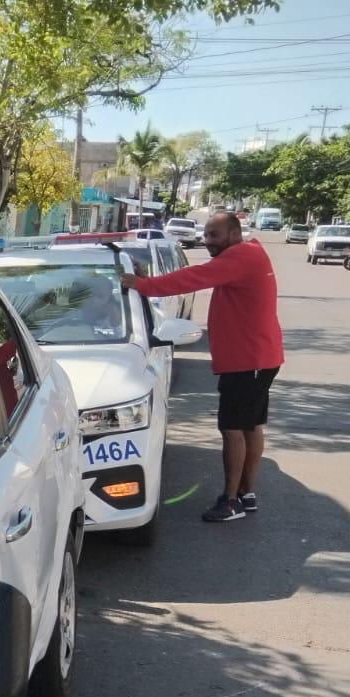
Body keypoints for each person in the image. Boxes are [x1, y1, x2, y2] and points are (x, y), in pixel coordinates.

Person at [121, 212, 282, 523]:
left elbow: (191, 279)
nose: (208, 241)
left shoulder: (238, 258)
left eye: (214, 235)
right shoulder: (248, 254)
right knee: (250, 426)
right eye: (206, 235)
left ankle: (231, 500)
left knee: (233, 429)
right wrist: (146, 280)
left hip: (248, 361)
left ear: (234, 235)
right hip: (259, 358)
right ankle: (246, 494)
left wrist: (142, 285)